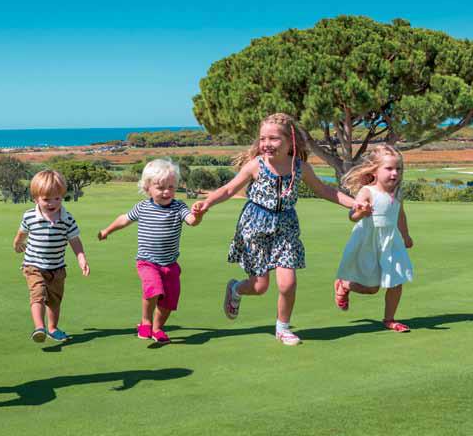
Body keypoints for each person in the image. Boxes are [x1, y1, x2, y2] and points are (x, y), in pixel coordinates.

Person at [192, 113, 359, 346]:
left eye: (273, 138)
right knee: (259, 286)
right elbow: (229, 189)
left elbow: (325, 191)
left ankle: (283, 328)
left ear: (290, 141)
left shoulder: (300, 167)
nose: (266, 144)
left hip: (286, 227)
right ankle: (236, 289)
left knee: (287, 283)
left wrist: (354, 204)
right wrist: (207, 203)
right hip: (255, 227)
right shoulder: (256, 165)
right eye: (263, 139)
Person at [98, 159, 204, 344]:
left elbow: (192, 221)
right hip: (147, 262)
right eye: (160, 187)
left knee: (169, 301)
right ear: (147, 188)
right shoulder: (143, 207)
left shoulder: (179, 207)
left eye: (171, 187)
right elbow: (124, 219)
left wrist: (198, 215)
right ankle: (145, 322)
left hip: (170, 265)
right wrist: (107, 230)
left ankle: (157, 329)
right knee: (153, 290)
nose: (166, 192)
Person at [333, 144, 415, 333]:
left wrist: (405, 235)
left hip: (391, 242)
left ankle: (390, 319)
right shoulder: (367, 191)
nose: (394, 173)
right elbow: (352, 216)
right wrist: (361, 212)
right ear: (374, 170)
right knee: (372, 288)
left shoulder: (398, 192)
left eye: (398, 169)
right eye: (389, 168)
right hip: (369, 241)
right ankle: (345, 284)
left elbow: (400, 214)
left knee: (396, 280)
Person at [13, 170, 89, 343]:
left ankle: (53, 328)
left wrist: (81, 257)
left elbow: (74, 240)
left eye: (57, 198)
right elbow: (21, 233)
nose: (52, 203)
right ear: (36, 199)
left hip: (57, 268)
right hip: (33, 266)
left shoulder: (67, 219)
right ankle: (39, 328)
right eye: (46, 199)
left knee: (55, 300)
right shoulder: (30, 216)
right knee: (38, 294)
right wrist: (17, 243)